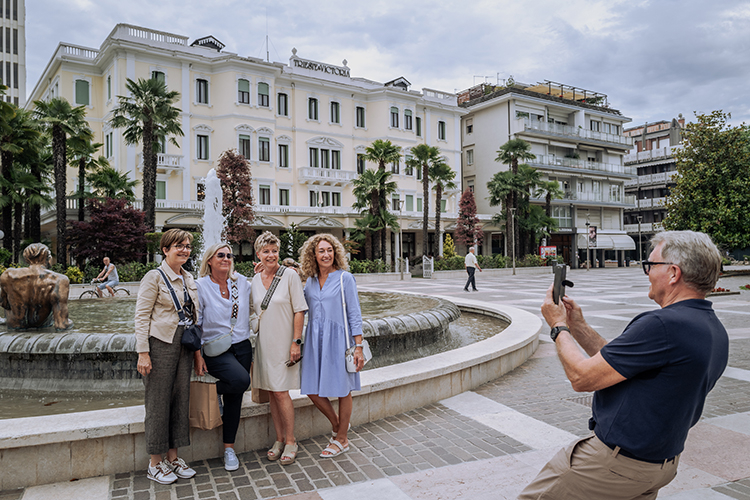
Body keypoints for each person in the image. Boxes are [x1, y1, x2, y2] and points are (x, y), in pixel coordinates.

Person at [519, 230, 729, 500]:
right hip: (659, 464)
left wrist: (558, 326)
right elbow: (617, 363)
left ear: (674, 273)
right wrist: (578, 325)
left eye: (650, 265)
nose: (647, 273)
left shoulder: (663, 325)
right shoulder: (712, 328)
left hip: (615, 466)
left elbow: (582, 377)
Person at [134, 229, 199, 485]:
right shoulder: (154, 277)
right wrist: (143, 353)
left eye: (187, 246)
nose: (184, 250)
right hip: (160, 344)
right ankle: (154, 463)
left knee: (180, 400)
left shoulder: (188, 277)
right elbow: (141, 316)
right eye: (178, 246)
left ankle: (173, 458)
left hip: (183, 344)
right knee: (158, 402)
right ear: (165, 249)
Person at [299, 233, 365, 458]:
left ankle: (342, 439)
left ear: (335, 253)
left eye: (329, 250)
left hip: (338, 340)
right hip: (314, 341)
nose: (326, 255)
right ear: (313, 255)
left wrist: (359, 346)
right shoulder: (309, 280)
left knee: (343, 389)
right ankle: (338, 426)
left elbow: (355, 313)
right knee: (311, 388)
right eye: (321, 251)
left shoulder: (344, 278)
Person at [193, 243, 253, 471]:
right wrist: (198, 356)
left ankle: (229, 449)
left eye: (229, 255)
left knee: (236, 397)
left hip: (242, 346)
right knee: (241, 381)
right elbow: (196, 324)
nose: (226, 258)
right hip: (216, 350)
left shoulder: (241, 283)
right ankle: (211, 391)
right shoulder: (200, 286)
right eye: (220, 255)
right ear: (209, 260)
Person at [251, 231, 308, 466]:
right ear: (258, 255)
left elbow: (300, 310)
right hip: (264, 345)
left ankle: (292, 440)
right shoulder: (254, 279)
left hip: (285, 343)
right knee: (272, 393)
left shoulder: (290, 276)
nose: (271, 255)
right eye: (266, 251)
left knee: (282, 392)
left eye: (275, 251)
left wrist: (296, 342)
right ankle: (279, 438)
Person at [0, 243, 72, 330]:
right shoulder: (59, 279)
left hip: (14, 324)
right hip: (41, 324)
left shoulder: (8, 275)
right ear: (48, 258)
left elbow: (4, 303)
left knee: (10, 295)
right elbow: (62, 325)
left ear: (26, 259)